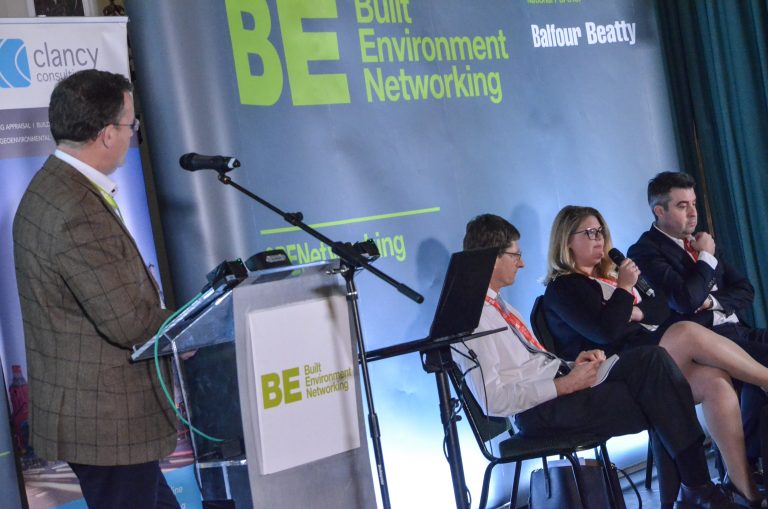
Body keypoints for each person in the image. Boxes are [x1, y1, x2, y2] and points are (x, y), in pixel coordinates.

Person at [453, 213, 742, 509]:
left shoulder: (497, 304)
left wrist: (568, 363)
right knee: (660, 389)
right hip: (539, 411)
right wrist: (564, 385)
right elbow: (494, 399)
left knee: (653, 363)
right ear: (491, 257)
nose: (523, 263)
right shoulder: (471, 319)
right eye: (516, 255)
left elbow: (527, 366)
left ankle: (693, 491)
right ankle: (696, 489)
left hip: (560, 389)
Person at [13, 70, 179, 509]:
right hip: (107, 420)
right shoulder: (74, 208)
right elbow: (128, 321)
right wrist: (185, 329)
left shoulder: (58, 187)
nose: (132, 134)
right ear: (107, 134)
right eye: (130, 125)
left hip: (101, 416)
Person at [542, 205, 768, 507]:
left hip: (650, 359)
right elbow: (604, 331)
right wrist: (624, 291)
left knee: (716, 382)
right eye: (590, 233)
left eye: (601, 232)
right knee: (685, 331)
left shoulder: (607, 277)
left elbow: (661, 308)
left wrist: (631, 309)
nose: (599, 239)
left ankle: (745, 490)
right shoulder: (564, 288)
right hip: (616, 373)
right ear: (566, 240)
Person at [628, 171, 768, 476]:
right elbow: (685, 301)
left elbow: (745, 289)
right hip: (706, 342)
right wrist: (706, 256)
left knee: (757, 382)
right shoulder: (645, 251)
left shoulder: (697, 240)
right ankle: (744, 464)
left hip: (736, 329)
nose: (692, 212)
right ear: (659, 211)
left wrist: (715, 301)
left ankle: (747, 462)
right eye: (682, 205)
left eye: (693, 203)